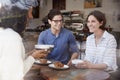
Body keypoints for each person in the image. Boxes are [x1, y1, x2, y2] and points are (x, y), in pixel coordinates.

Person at [0, 2, 49, 80]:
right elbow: (16, 74)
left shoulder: (5, 33)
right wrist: (33, 57)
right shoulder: (13, 38)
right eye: (29, 12)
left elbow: (11, 62)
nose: (31, 16)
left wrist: (29, 54)